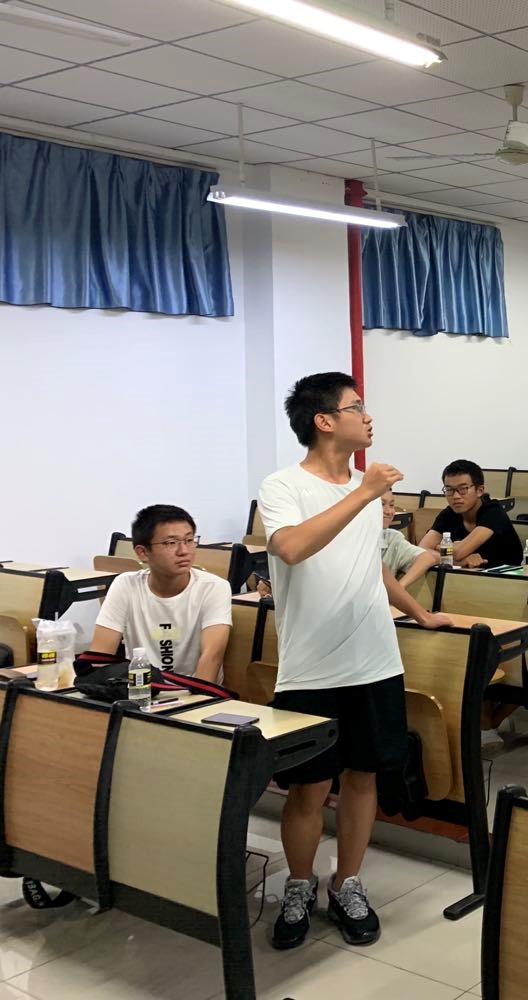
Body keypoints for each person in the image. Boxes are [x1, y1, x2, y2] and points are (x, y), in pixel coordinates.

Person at [257, 372, 450, 950]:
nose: (368, 416)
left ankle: (347, 882)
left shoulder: (364, 495)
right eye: (356, 406)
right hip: (312, 667)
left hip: (374, 661)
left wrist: (419, 613)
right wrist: (364, 494)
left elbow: (372, 566)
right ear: (324, 421)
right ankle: (299, 884)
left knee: (363, 778)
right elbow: (291, 548)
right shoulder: (283, 485)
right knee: (309, 788)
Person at [90, 504, 230, 682]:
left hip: (195, 692)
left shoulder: (214, 588)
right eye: (170, 543)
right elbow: (100, 657)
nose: (184, 551)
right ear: (143, 552)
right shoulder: (125, 585)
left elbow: (211, 657)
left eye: (189, 540)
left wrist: (199, 697)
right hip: (140, 690)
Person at [418, 461, 523, 567]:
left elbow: (458, 552)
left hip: (505, 575)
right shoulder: (449, 514)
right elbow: (420, 551)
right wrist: (458, 561)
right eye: (449, 490)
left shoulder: (494, 512)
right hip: (466, 574)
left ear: (479, 490)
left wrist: (438, 547)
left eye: (463, 489)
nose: (455, 496)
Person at [379, 491, 439, 592]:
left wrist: (398, 588)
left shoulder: (392, 538)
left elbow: (426, 558)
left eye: (392, 505)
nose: (389, 511)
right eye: (382, 504)